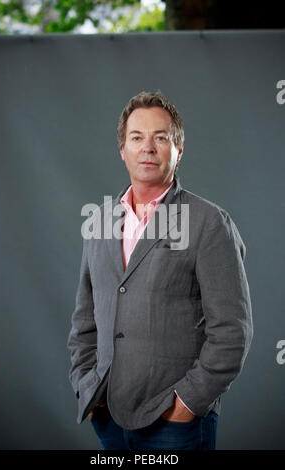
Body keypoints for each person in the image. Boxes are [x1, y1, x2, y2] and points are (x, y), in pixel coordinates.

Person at [67, 91, 253, 450]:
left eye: (161, 138)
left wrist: (186, 404)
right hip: (108, 417)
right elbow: (84, 320)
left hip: (175, 424)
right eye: (137, 137)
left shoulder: (209, 223)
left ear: (178, 150)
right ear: (122, 150)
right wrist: (86, 386)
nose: (147, 147)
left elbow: (232, 332)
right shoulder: (99, 222)